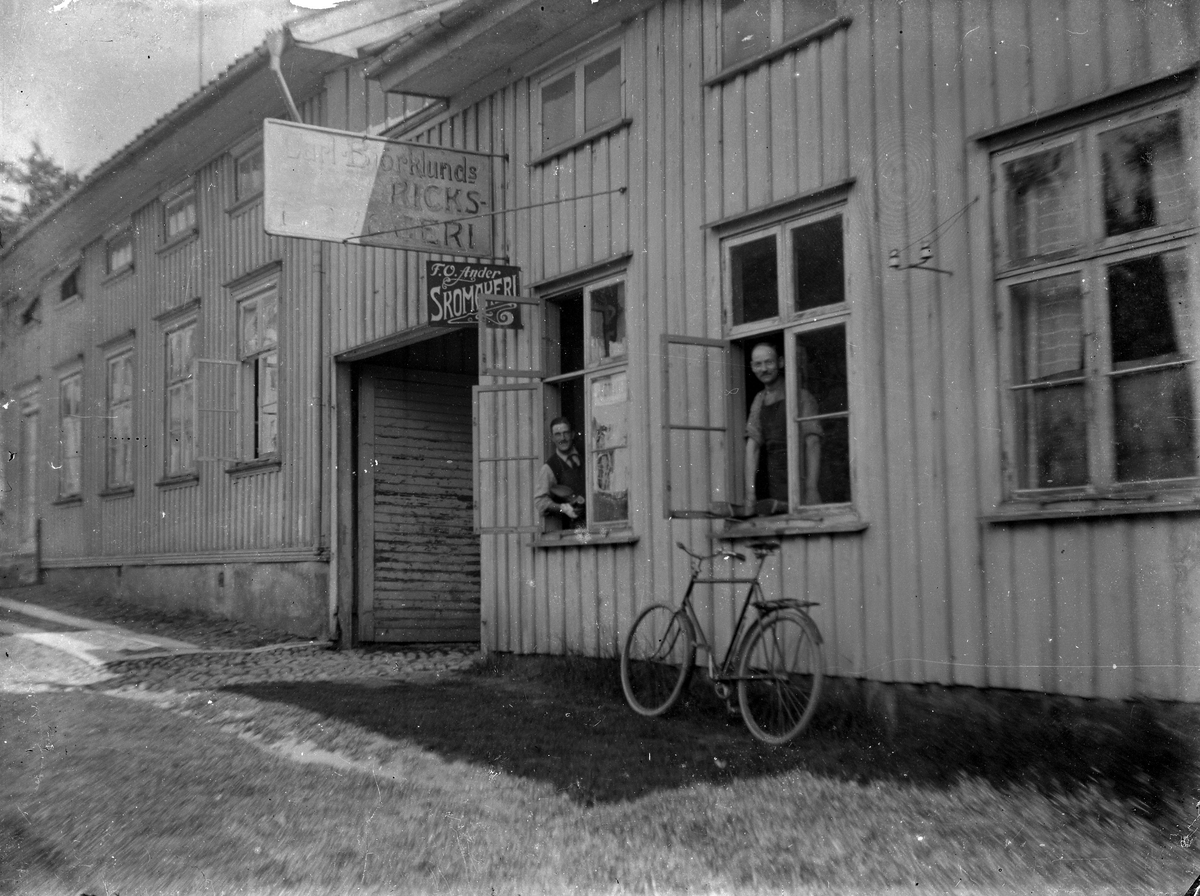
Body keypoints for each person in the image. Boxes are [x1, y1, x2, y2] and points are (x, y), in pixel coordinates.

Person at [743, 342, 822, 515]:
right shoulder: (760, 399)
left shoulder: (801, 396)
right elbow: (753, 446)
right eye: (758, 364)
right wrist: (750, 494)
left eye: (768, 362)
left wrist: (811, 488)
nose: (763, 369)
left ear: (780, 362)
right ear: (752, 367)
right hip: (776, 480)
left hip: (801, 476)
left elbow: (813, 442)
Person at [534, 416, 586, 529]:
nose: (562, 438)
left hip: (596, 523)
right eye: (557, 434)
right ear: (552, 438)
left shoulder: (587, 454)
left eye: (566, 433)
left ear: (572, 434)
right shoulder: (549, 467)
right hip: (572, 529)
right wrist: (563, 508)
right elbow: (540, 501)